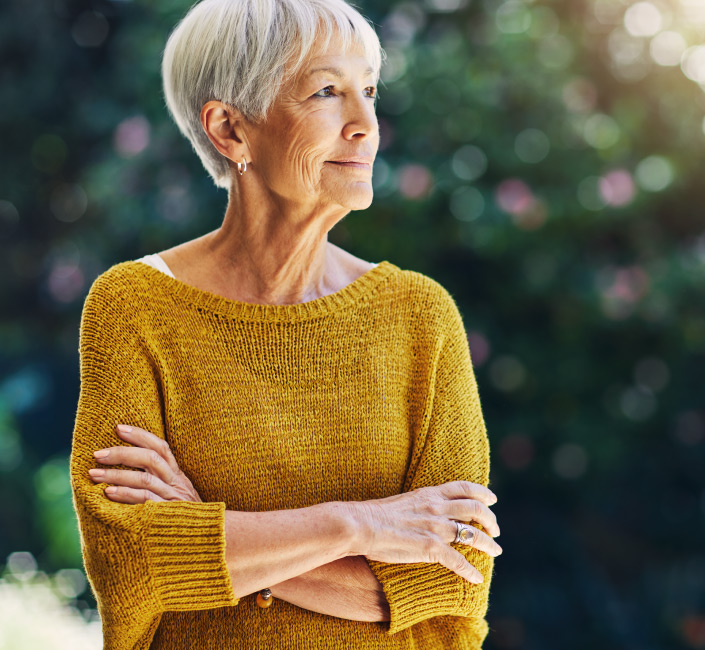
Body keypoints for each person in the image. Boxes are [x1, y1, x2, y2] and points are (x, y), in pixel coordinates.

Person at [70, 0, 503, 647]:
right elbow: (132, 562)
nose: (366, 125)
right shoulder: (135, 304)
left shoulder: (420, 316)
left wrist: (212, 535)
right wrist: (358, 526)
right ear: (230, 130)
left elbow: (453, 580)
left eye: (370, 92)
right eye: (327, 92)